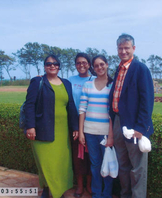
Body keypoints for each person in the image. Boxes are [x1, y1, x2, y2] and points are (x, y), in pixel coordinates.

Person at [24, 55, 79, 198]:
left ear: (59, 66)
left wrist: (75, 127)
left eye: (55, 63)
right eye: (49, 63)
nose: (52, 66)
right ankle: (48, 191)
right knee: (47, 164)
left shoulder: (66, 83)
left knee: (61, 163)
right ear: (44, 66)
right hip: (42, 131)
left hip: (62, 132)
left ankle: (58, 191)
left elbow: (71, 106)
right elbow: (29, 105)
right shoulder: (38, 82)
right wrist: (30, 126)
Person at [109, 33, 154, 198]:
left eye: (126, 48)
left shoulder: (140, 69)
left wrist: (141, 128)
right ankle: (125, 194)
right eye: (120, 48)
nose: (123, 51)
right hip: (118, 122)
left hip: (134, 125)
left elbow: (147, 101)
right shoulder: (119, 69)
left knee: (137, 167)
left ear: (133, 49)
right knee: (123, 165)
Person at [79, 55, 114, 198]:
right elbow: (82, 109)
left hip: (106, 132)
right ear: (93, 68)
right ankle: (96, 193)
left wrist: (111, 135)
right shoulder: (88, 85)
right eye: (96, 65)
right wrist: (81, 132)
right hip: (90, 131)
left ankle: (107, 194)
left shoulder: (113, 85)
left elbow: (113, 112)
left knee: (108, 163)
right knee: (95, 164)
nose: (99, 68)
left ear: (107, 65)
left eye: (102, 64)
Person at [68, 53, 94, 197]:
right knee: (77, 156)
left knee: (90, 155)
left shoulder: (95, 80)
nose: (81, 65)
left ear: (89, 64)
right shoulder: (70, 80)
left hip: (91, 121)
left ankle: (89, 185)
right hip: (74, 121)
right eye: (78, 63)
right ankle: (79, 185)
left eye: (84, 62)